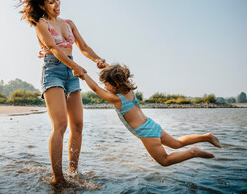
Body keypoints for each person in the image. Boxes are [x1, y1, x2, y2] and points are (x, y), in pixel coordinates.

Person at [13, 0, 107, 185]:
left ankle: (73, 172)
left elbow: (83, 47)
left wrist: (97, 59)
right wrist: (75, 67)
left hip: (71, 71)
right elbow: (54, 49)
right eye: (52, 2)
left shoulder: (69, 24)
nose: (57, 5)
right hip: (53, 71)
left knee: (78, 125)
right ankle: (58, 178)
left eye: (58, 0)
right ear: (41, 5)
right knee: (61, 125)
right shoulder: (41, 23)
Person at [82, 64, 221, 166]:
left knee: (164, 161)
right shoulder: (129, 92)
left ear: (115, 84)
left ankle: (193, 152)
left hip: (147, 133)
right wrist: (106, 67)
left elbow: (95, 88)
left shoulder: (117, 99)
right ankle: (206, 137)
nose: (105, 88)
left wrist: (84, 75)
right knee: (177, 143)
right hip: (152, 125)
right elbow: (117, 76)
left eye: (106, 85)